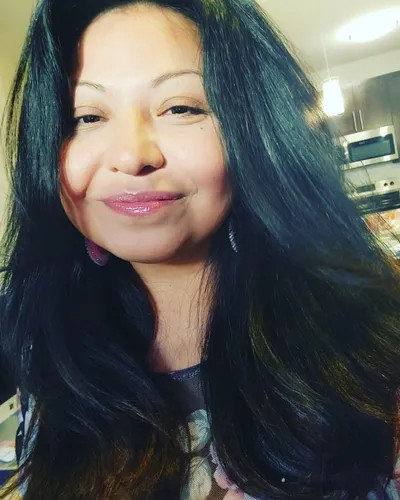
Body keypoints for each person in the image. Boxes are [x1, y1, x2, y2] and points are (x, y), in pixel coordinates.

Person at [1, 0, 400, 498]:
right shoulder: (39, 339)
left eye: (180, 108)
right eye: (86, 116)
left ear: (253, 129)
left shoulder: (372, 335)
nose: (133, 156)